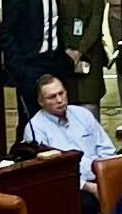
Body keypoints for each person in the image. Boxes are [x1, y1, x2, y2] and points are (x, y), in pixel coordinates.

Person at [20, 71, 114, 203]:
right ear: (41, 102)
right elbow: (50, 172)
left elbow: (106, 149)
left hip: (100, 175)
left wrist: (107, 177)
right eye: (52, 97)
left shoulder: (83, 114)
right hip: (69, 185)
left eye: (61, 93)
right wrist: (89, 187)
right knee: (86, 203)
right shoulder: (35, 129)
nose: (59, 100)